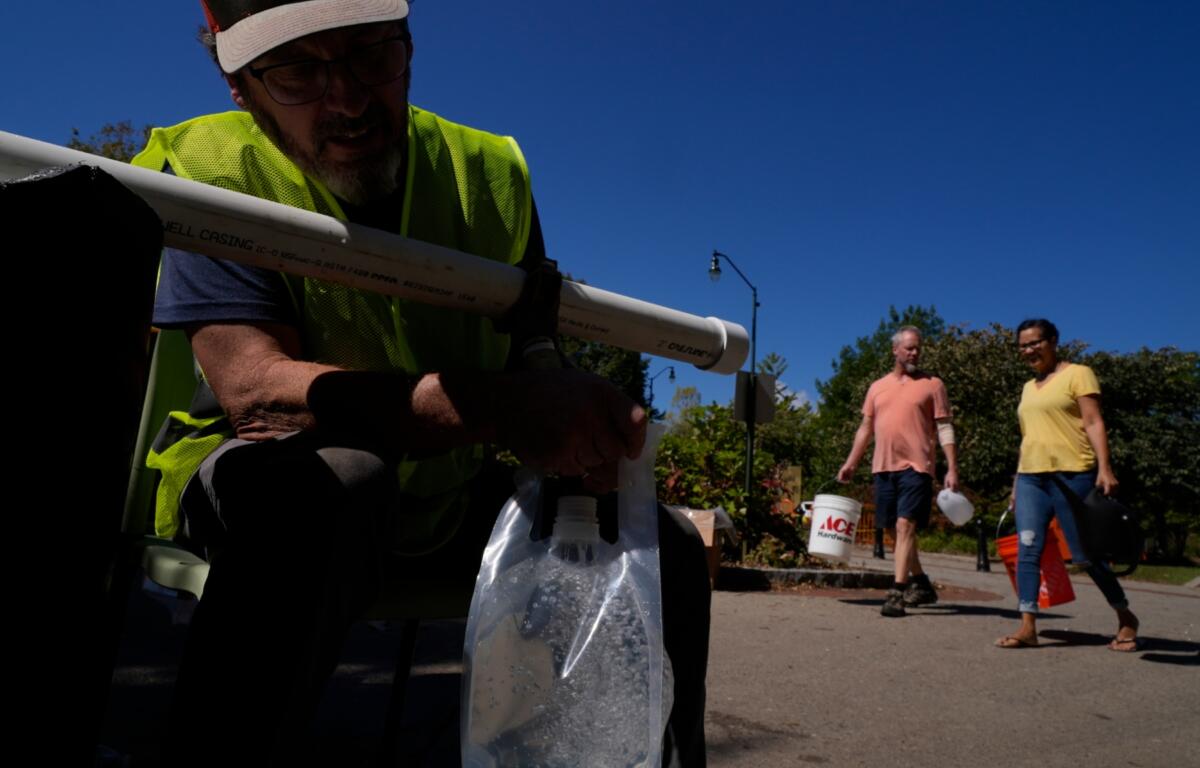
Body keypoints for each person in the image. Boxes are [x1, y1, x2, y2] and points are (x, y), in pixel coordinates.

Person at [133, 1, 710, 763]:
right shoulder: (210, 167)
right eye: (298, 70)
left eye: (370, 52)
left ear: (408, 45)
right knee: (332, 485)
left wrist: (575, 421)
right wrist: (501, 410)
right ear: (241, 86)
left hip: (442, 489)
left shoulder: (490, 171)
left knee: (660, 539)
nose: (346, 98)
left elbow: (531, 346)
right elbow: (255, 392)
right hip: (269, 481)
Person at [994, 319, 1139, 651]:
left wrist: (1105, 467)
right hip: (1032, 476)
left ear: (1053, 341)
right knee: (1028, 549)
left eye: (1035, 343)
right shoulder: (1029, 388)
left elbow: (1092, 420)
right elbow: (1028, 438)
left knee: (1085, 556)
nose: (1029, 350)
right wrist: (1017, 482)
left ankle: (1126, 616)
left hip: (1073, 475)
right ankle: (1027, 626)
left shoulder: (1078, 373)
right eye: (1022, 346)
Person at [837, 326, 960, 617]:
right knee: (893, 529)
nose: (915, 352)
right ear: (895, 350)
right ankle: (921, 583)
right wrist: (851, 462)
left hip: (917, 467)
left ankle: (897, 592)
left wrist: (952, 467)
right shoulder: (877, 387)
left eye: (918, 348)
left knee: (906, 526)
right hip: (883, 467)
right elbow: (865, 428)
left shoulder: (933, 385)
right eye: (909, 348)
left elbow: (944, 427)